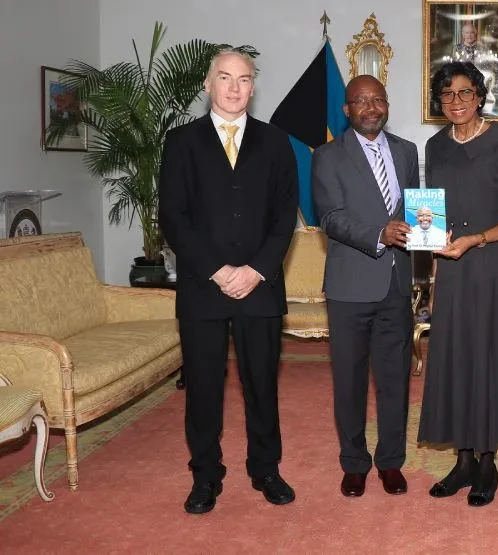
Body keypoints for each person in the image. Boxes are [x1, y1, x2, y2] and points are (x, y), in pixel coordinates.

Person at [159, 49, 299, 514]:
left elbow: (284, 217)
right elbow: (174, 218)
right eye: (225, 77)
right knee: (203, 387)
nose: (235, 87)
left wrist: (256, 270)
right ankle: (205, 476)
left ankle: (266, 469)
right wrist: (219, 270)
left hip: (261, 288)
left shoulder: (277, 143)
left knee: (262, 384)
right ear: (208, 84)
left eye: (243, 79)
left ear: (253, 87)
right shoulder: (180, 142)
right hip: (204, 287)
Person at [417, 61, 498, 507]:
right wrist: (433, 247)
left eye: (465, 93)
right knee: (454, 358)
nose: (456, 103)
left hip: (493, 268)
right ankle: (462, 460)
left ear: (481, 96)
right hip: (452, 269)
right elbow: (433, 214)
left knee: (489, 358)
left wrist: (476, 239)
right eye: (447, 95)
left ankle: (487, 463)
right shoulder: (436, 147)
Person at [312, 75, 419, 498]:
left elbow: (416, 209)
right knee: (350, 381)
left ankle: (391, 462)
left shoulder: (407, 152)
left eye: (379, 100)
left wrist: (429, 234)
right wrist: (380, 234)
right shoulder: (327, 156)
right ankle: (354, 463)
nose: (371, 108)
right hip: (349, 286)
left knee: (395, 380)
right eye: (362, 101)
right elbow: (331, 217)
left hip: (396, 283)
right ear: (347, 109)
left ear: (387, 105)